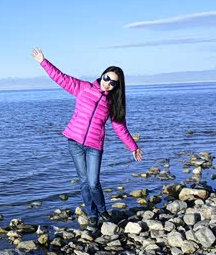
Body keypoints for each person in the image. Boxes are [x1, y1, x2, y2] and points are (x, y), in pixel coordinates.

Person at [31, 47, 143, 226]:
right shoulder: (83, 88)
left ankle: (102, 211)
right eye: (106, 78)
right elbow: (61, 78)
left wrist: (133, 147)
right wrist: (44, 62)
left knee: (93, 183)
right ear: (102, 75)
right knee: (83, 182)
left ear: (117, 86)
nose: (108, 83)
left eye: (113, 82)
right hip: (74, 142)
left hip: (94, 146)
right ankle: (92, 214)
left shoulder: (112, 103)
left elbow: (120, 127)